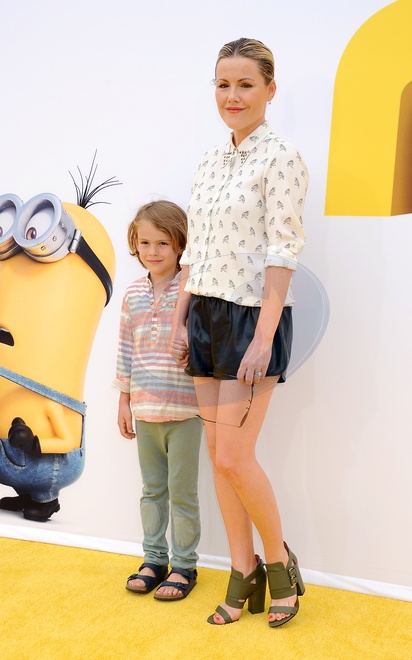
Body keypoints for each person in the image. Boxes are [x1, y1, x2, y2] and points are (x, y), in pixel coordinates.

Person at [170, 38, 308, 628]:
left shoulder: (282, 157)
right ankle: (241, 569)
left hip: (253, 317)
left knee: (234, 454)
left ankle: (280, 567)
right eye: (223, 84)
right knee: (218, 457)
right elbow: (196, 250)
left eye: (246, 84)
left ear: (270, 90)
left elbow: (283, 251)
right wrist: (180, 318)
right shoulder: (208, 159)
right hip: (204, 313)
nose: (233, 95)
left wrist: (263, 338)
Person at [114, 200, 202, 601]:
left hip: (185, 410)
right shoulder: (132, 293)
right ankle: (154, 559)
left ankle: (184, 565)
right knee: (152, 491)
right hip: (145, 409)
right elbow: (125, 350)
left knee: (182, 492)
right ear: (135, 243)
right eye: (145, 242)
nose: (152, 251)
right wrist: (124, 401)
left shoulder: (193, 288)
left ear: (180, 244)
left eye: (163, 243)